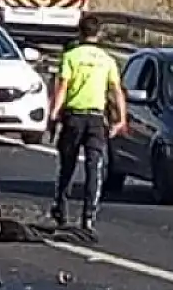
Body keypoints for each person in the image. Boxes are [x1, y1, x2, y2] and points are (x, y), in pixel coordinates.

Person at [46, 15, 127, 232]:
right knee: (94, 168)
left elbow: (62, 88)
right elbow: (116, 91)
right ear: (99, 34)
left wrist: (53, 116)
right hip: (96, 119)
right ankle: (89, 215)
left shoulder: (71, 56)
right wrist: (121, 119)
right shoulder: (107, 60)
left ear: (79, 32)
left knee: (67, 166)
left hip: (74, 117)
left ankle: (61, 209)